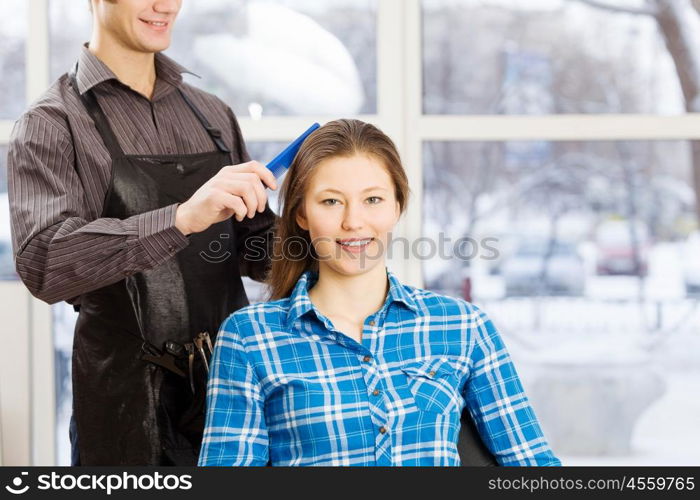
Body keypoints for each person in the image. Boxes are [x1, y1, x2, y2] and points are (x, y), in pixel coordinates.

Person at [198, 119, 561, 466]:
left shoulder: (463, 327)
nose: (353, 222)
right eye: (331, 201)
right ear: (301, 215)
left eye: (372, 200)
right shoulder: (249, 338)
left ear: (397, 207)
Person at [7, 0, 277, 465]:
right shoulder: (52, 124)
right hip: (125, 409)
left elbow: (254, 250)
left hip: (231, 396)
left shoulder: (212, 115)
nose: (166, 5)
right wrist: (179, 219)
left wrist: (328, 226)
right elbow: (45, 263)